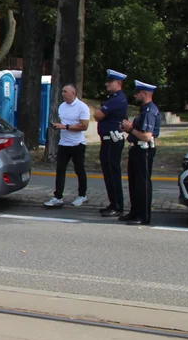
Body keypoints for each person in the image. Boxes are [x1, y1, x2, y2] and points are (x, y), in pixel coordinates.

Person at [119, 80, 161, 226]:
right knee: (134, 182)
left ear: (144, 94)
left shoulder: (150, 110)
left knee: (142, 183)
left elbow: (147, 135)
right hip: (137, 148)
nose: (135, 96)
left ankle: (143, 215)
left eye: (137, 93)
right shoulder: (144, 110)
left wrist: (131, 129)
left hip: (144, 149)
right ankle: (135, 212)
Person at [45, 84, 91, 208]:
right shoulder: (62, 106)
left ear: (73, 93)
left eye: (65, 91)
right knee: (60, 170)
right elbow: (63, 123)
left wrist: (66, 127)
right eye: (62, 91)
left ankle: (82, 195)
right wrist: (58, 125)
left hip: (77, 144)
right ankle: (58, 196)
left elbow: (84, 126)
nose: (62, 93)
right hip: (64, 143)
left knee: (79, 169)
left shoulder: (82, 107)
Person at [94, 69, 128, 217]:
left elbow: (98, 115)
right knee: (108, 173)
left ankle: (117, 205)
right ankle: (113, 203)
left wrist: (99, 113)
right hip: (108, 140)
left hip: (112, 140)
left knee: (112, 174)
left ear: (118, 83)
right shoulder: (113, 98)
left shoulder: (116, 99)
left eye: (110, 81)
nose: (107, 84)